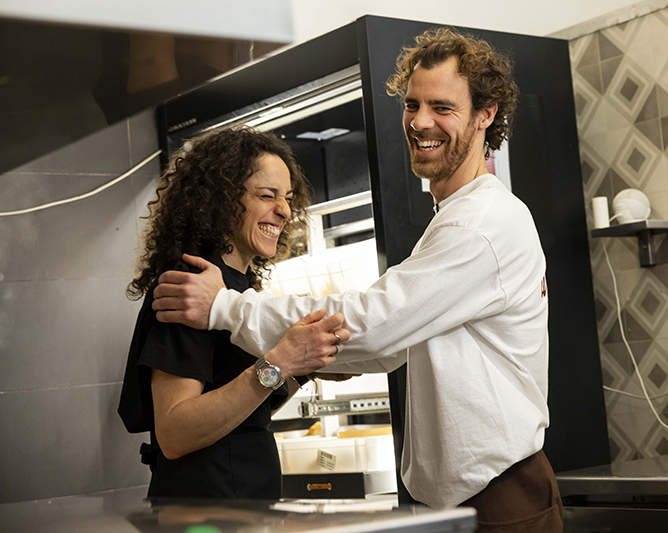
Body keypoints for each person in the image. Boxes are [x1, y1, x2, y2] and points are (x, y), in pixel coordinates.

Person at [153, 27, 563, 531]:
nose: (420, 121)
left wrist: (226, 311)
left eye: (443, 107)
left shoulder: (480, 223)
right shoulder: (456, 217)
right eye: (412, 105)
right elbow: (387, 347)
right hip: (461, 499)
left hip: (501, 496)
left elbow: (375, 323)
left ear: (486, 114)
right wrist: (305, 358)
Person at [118, 128, 351, 499]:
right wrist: (279, 360)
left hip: (246, 500)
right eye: (266, 195)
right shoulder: (191, 287)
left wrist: (305, 366)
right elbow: (175, 433)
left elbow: (248, 408)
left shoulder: (238, 289)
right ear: (222, 200)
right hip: (204, 509)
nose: (285, 210)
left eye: (288, 198)